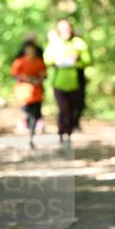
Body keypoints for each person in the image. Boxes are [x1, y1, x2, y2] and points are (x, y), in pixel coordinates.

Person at [43, 20, 90, 148]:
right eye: (63, 29)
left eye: (68, 29)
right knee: (63, 108)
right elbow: (47, 59)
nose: (66, 32)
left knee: (72, 109)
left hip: (75, 82)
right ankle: (60, 132)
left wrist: (76, 63)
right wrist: (57, 61)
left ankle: (69, 133)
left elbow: (87, 60)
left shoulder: (78, 43)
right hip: (58, 82)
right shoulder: (54, 44)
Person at [10, 42, 46, 148]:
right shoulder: (19, 62)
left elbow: (43, 75)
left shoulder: (39, 62)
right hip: (23, 94)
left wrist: (37, 80)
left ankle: (31, 136)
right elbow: (14, 75)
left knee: (34, 116)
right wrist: (25, 78)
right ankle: (27, 127)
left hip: (37, 93)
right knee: (28, 113)